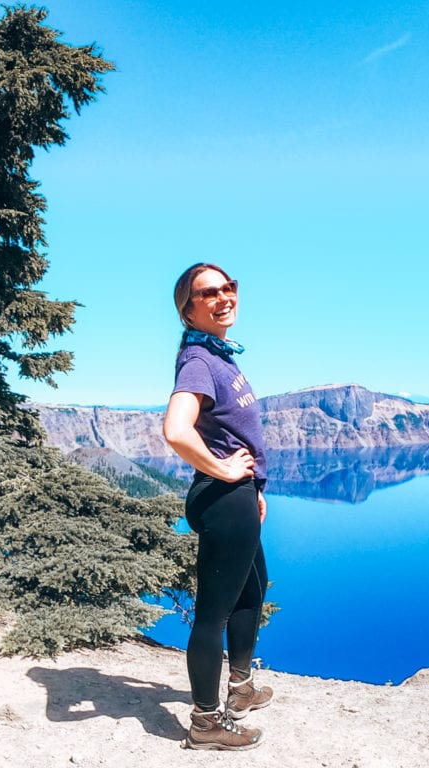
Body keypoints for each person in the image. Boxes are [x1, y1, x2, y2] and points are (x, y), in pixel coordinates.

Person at [163, 263, 272, 751]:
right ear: (189, 308)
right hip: (224, 498)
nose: (224, 297)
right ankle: (206, 723)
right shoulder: (198, 360)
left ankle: (242, 688)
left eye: (229, 287)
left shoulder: (219, 355)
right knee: (213, 613)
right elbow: (176, 430)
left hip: (241, 496)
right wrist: (225, 471)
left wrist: (255, 486)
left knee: (253, 587)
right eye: (209, 292)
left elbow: (233, 431)